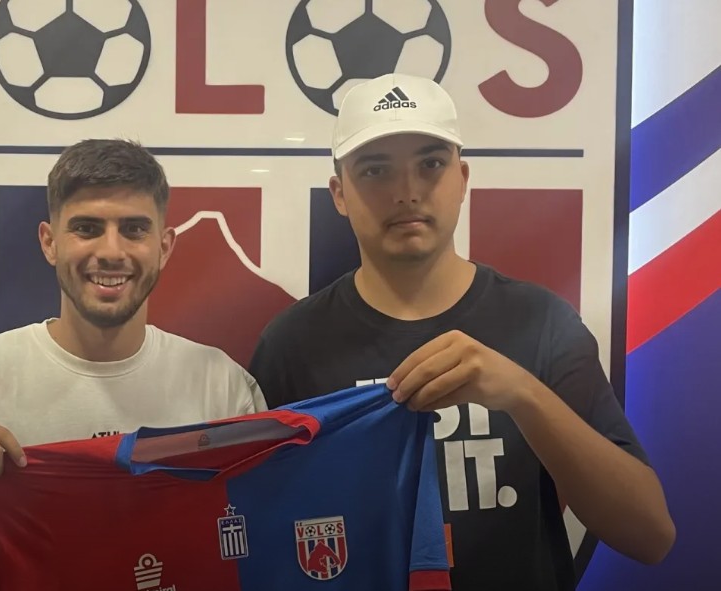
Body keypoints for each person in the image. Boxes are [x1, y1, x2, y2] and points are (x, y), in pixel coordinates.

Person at [247, 73, 675, 591]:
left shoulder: (541, 322)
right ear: (340, 193)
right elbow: (255, 538)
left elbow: (650, 535)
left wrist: (522, 394)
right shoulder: (292, 345)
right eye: (376, 170)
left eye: (430, 164)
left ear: (462, 177)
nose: (407, 192)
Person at [0, 138, 267, 591]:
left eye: (134, 229)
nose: (111, 251)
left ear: (164, 246)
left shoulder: (224, 389)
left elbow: (265, 547)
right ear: (50, 242)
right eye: (86, 228)